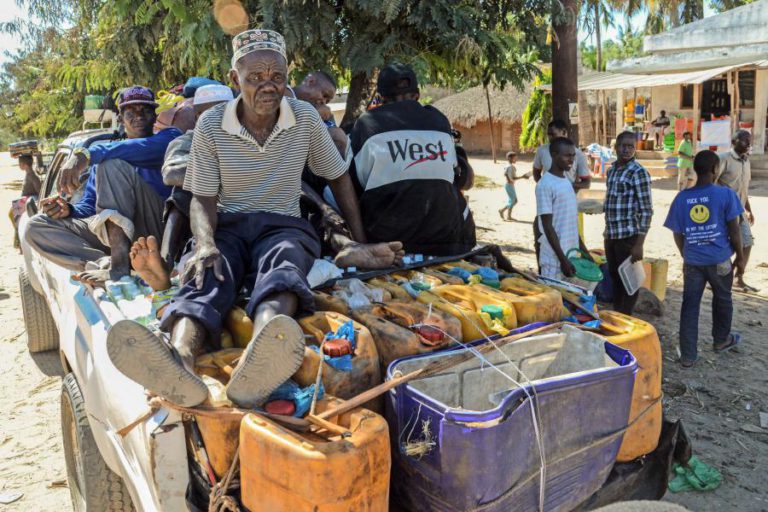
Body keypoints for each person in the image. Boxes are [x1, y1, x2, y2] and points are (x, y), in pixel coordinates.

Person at [106, 29, 367, 409]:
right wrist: (206, 242)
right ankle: (179, 360)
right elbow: (200, 199)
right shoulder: (211, 127)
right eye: (255, 78)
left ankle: (260, 355)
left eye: (277, 77)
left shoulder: (305, 118)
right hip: (226, 223)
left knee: (284, 265)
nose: (268, 86)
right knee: (207, 271)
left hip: (282, 224)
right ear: (234, 79)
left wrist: (358, 241)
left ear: (287, 77)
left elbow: (338, 176)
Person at [24, 87, 181, 275]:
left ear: (155, 116)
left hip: (159, 231)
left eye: (145, 110)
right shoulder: (103, 160)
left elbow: (135, 149)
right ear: (121, 118)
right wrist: (68, 209)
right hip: (117, 239)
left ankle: (120, 265)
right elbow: (90, 206)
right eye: (131, 111)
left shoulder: (170, 138)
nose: (139, 116)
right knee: (35, 226)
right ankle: (105, 264)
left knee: (112, 164)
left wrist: (86, 154)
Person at [348, 62, 475, 256]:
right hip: (448, 241)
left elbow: (353, 186)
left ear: (380, 98)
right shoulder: (439, 121)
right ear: (417, 96)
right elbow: (465, 181)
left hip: (388, 245)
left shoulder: (367, 124)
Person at [664, 150, 744, 367]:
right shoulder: (726, 195)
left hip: (693, 263)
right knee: (723, 299)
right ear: (715, 170)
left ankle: (688, 356)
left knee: (690, 306)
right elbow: (735, 231)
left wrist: (685, 253)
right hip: (720, 260)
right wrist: (741, 259)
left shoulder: (682, 198)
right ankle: (721, 340)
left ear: (696, 170)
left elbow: (677, 232)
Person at [604, 131, 653, 315]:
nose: (626, 150)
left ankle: (625, 316)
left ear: (635, 148)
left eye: (630, 146)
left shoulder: (638, 172)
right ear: (616, 147)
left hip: (629, 237)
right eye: (623, 146)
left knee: (629, 282)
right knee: (615, 277)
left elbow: (646, 210)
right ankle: (618, 313)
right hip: (611, 234)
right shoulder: (612, 170)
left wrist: (639, 244)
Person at [536, 138, 593, 279]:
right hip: (554, 261)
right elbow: (547, 227)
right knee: (553, 299)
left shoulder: (567, 183)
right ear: (554, 155)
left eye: (573, 155)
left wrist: (586, 253)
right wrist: (562, 260)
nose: (572, 159)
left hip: (570, 257)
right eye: (567, 155)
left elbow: (572, 224)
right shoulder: (545, 185)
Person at [717, 130, 755, 292]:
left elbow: (744, 190)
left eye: (749, 140)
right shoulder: (724, 158)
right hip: (724, 211)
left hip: (740, 210)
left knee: (747, 242)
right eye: (745, 141)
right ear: (734, 142)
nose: (748, 144)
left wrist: (749, 210)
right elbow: (712, 182)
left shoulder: (746, 162)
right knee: (725, 244)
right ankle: (719, 279)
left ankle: (737, 277)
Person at [532, 119, 591, 191]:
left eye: (553, 134)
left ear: (564, 132)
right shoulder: (542, 151)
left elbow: (586, 183)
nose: (550, 138)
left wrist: (565, 186)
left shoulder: (579, 155)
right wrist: (544, 186)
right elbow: (536, 173)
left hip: (569, 197)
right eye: (548, 135)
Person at [499, 151, 528, 221]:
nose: (516, 160)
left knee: (512, 200)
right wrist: (523, 177)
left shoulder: (508, 166)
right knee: (514, 200)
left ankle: (508, 215)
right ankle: (502, 211)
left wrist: (509, 179)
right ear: (510, 158)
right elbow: (512, 177)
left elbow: (506, 174)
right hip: (509, 185)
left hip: (509, 185)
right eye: (515, 158)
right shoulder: (511, 167)